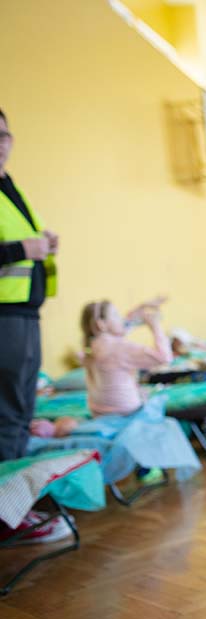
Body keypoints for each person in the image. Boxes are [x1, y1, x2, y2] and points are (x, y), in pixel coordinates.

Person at [0, 108, 72, 544]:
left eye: (6, 134)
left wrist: (42, 246)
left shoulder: (10, 188)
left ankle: (14, 503)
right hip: (5, 317)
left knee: (19, 412)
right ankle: (8, 514)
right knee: (9, 414)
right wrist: (19, 249)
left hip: (22, 315)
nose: (3, 141)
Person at [80, 298, 173, 417]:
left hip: (97, 412)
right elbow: (165, 358)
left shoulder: (91, 346)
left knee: (142, 391)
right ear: (101, 324)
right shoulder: (119, 347)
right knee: (154, 397)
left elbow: (125, 325)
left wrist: (142, 306)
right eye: (116, 315)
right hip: (125, 411)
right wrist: (155, 326)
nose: (121, 319)